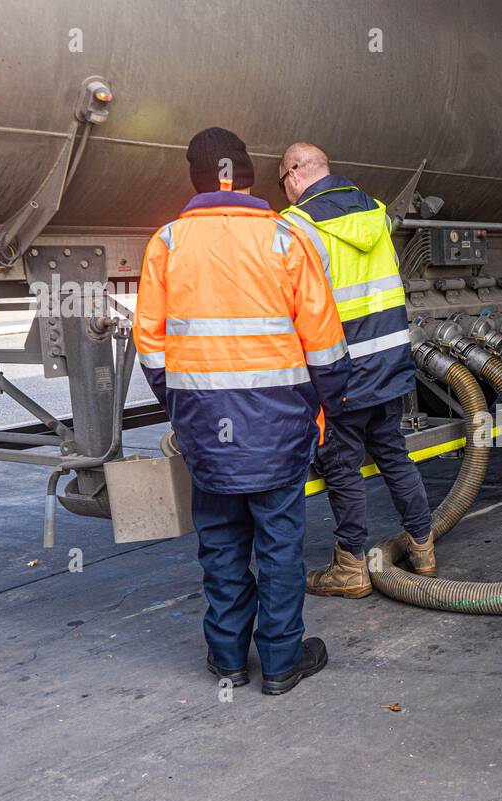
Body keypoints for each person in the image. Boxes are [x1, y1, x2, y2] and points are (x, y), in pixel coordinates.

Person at [134, 127, 352, 695]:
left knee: (221, 546)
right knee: (279, 546)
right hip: (278, 428)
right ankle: (280, 664)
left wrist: (183, 407)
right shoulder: (285, 239)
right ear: (250, 178)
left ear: (196, 179)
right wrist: (331, 402)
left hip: (206, 430)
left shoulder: (168, 242)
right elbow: (325, 344)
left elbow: (151, 347)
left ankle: (227, 658)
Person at [277, 143, 435, 598]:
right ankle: (423, 547)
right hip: (388, 362)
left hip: (340, 369)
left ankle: (349, 566)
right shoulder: (376, 214)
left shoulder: (299, 226)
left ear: (292, 174)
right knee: (392, 455)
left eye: (282, 181)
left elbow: (297, 303)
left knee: (342, 468)